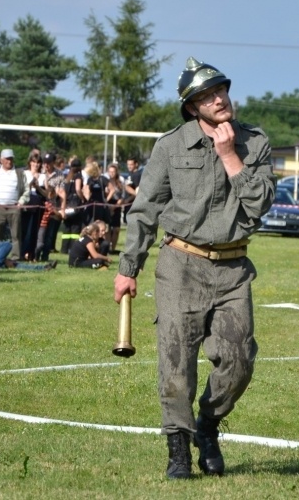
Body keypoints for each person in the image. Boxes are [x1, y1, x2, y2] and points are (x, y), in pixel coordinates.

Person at [113, 57, 275, 479]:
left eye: (221, 89)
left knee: (239, 362)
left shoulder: (254, 143)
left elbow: (259, 205)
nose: (218, 98)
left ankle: (207, 426)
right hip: (180, 263)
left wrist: (229, 157)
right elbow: (144, 209)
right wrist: (129, 267)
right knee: (176, 362)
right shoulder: (170, 145)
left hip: (234, 267)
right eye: (207, 96)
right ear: (192, 108)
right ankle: (178, 450)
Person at [0, 149, 29, 261]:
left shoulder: (20, 173)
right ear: (1, 160)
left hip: (14, 207)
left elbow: (26, 190)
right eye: (6, 158)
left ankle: (15, 257)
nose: (9, 161)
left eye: (11, 158)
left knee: (15, 235)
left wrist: (21, 202)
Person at [58, 158, 85, 254]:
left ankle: (64, 249)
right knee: (75, 227)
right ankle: (73, 249)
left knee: (67, 227)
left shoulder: (67, 176)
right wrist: (83, 198)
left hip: (68, 203)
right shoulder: (78, 176)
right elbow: (78, 189)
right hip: (76, 204)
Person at [104, 163, 127, 253]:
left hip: (117, 205)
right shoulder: (105, 181)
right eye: (110, 171)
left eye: (113, 171)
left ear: (116, 172)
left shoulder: (121, 181)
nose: (111, 173)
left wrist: (115, 207)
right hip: (107, 204)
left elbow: (123, 196)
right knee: (108, 229)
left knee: (116, 229)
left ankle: (113, 248)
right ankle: (108, 248)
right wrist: (109, 207)